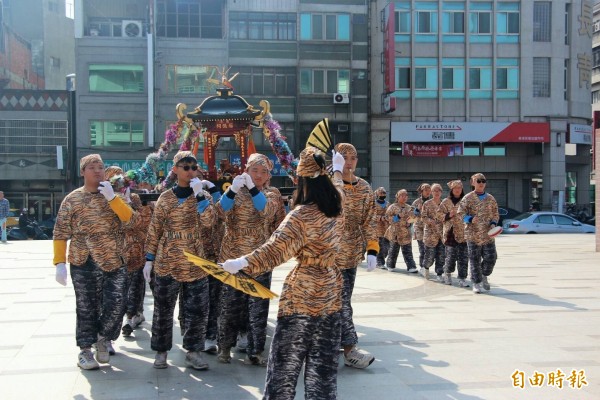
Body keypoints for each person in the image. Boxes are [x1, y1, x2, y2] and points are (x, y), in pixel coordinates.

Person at [221, 146, 345, 400]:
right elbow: (340, 187)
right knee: (323, 371)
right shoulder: (338, 206)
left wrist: (242, 262)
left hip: (302, 297)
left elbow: (275, 250)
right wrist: (339, 171)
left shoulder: (301, 216)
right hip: (332, 295)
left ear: (301, 181)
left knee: (284, 370)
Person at [52, 154, 135, 370]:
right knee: (86, 306)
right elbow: (60, 231)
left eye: (101, 167)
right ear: (83, 172)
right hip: (84, 259)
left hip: (113, 258)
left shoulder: (113, 196)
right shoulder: (72, 199)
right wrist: (59, 262)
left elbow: (132, 221)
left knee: (117, 302)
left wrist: (113, 199)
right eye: (92, 167)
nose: (98, 171)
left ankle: (103, 337)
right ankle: (85, 350)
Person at [143, 150, 216, 370]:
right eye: (186, 167)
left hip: (195, 261)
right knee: (163, 308)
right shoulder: (165, 198)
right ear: (175, 170)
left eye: (194, 167)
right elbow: (155, 229)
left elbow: (210, 222)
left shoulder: (203, 195)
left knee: (197, 310)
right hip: (168, 261)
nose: (191, 171)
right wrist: (149, 259)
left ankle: (194, 351)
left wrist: (200, 196)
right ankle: (161, 350)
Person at [215, 153, 280, 366]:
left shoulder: (272, 193)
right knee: (229, 306)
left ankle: (255, 351)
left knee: (258, 309)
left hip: (259, 260)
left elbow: (267, 213)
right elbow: (220, 212)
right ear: (246, 171)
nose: (259, 175)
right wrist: (232, 190)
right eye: (255, 171)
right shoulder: (235, 192)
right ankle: (224, 347)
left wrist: (253, 189)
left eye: (263, 172)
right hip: (232, 257)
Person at [334, 142, 379, 369]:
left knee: (344, 300)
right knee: (338, 301)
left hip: (350, 252)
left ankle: (336, 345)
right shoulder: (328, 183)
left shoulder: (364, 188)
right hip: (328, 253)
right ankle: (349, 349)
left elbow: (370, 218)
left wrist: (372, 247)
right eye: (344, 157)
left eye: (353, 158)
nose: (349, 162)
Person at [457, 173, 499, 294]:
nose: (481, 183)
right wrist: (469, 219)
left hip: (488, 235)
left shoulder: (490, 198)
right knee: (474, 259)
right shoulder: (468, 198)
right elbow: (460, 213)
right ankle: (476, 282)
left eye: (483, 181)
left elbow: (495, 213)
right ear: (472, 183)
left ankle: (484, 275)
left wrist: (493, 223)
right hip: (472, 234)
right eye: (478, 181)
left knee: (491, 257)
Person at [438, 180, 469, 287]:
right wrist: (448, 215)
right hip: (450, 233)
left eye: (459, 188)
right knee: (450, 257)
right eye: (455, 188)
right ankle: (447, 273)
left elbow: (471, 214)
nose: (457, 190)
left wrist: (468, 219)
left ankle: (462, 278)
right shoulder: (446, 202)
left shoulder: (466, 201)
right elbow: (438, 215)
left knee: (463, 258)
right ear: (452, 190)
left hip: (464, 233)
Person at [384, 189, 417, 273]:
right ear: (398, 197)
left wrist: (409, 223)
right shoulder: (392, 206)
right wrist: (398, 217)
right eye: (402, 195)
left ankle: (411, 267)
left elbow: (413, 219)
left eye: (406, 195)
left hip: (405, 232)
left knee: (408, 251)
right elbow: (387, 218)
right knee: (393, 250)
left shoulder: (409, 208)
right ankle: (390, 265)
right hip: (395, 232)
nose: (404, 197)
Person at [421, 183, 445, 281]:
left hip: (442, 234)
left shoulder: (444, 203)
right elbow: (423, 217)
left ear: (441, 192)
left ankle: (439, 274)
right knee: (429, 256)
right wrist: (431, 221)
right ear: (431, 192)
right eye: (434, 190)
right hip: (430, 234)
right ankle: (425, 268)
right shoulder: (427, 204)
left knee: (441, 255)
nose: (437, 192)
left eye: (438, 190)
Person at [412, 183, 431, 270]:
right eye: (425, 190)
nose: (428, 192)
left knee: (428, 248)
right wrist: (417, 209)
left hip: (429, 228)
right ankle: (422, 266)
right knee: (422, 248)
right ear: (421, 191)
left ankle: (426, 265)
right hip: (419, 227)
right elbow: (412, 215)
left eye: (429, 190)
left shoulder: (432, 201)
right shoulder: (416, 202)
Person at [373, 187, 390, 269]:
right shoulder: (373, 204)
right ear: (377, 194)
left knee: (386, 247)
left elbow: (390, 214)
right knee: (379, 245)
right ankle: (379, 262)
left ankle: (381, 258)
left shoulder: (388, 204)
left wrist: (388, 218)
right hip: (377, 228)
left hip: (386, 228)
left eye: (384, 193)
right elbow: (372, 215)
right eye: (381, 193)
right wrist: (381, 218)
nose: (383, 194)